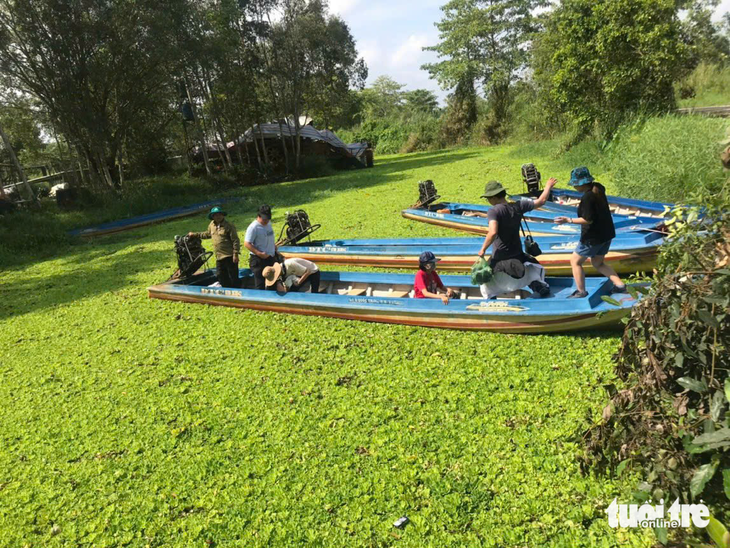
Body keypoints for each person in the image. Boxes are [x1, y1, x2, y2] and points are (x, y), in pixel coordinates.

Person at [475, 178, 557, 297]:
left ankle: (492, 300)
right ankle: (537, 285)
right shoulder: (518, 206)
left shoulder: (493, 211)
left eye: (488, 198)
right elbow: (541, 201)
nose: (488, 200)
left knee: (485, 280)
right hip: (517, 252)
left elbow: (492, 232)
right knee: (528, 269)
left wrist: (482, 249)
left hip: (501, 256)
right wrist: (548, 186)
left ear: (493, 197)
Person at [554, 167, 626, 298]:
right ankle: (620, 285)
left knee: (575, 261)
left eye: (575, 184)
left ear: (580, 184)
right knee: (598, 263)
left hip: (593, 237)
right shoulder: (598, 188)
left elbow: (587, 220)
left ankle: (581, 291)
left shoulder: (588, 197)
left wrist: (568, 220)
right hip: (606, 234)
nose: (574, 187)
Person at [188, 206, 240, 288]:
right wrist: (195, 235)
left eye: (219, 214)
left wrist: (235, 254)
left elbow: (235, 240)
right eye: (215, 215)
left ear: (223, 215)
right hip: (219, 256)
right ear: (212, 216)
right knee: (220, 275)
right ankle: (226, 290)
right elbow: (207, 234)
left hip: (229, 255)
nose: (218, 216)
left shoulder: (229, 226)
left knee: (233, 276)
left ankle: (237, 293)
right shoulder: (211, 225)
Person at [245, 204, 277, 290]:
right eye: (264, 219)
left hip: (270, 257)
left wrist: (273, 246)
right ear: (259, 216)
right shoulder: (253, 227)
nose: (266, 221)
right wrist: (259, 253)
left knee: (273, 282)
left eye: (268, 218)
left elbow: (268, 237)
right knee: (260, 284)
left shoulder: (268, 224)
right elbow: (247, 243)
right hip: (259, 260)